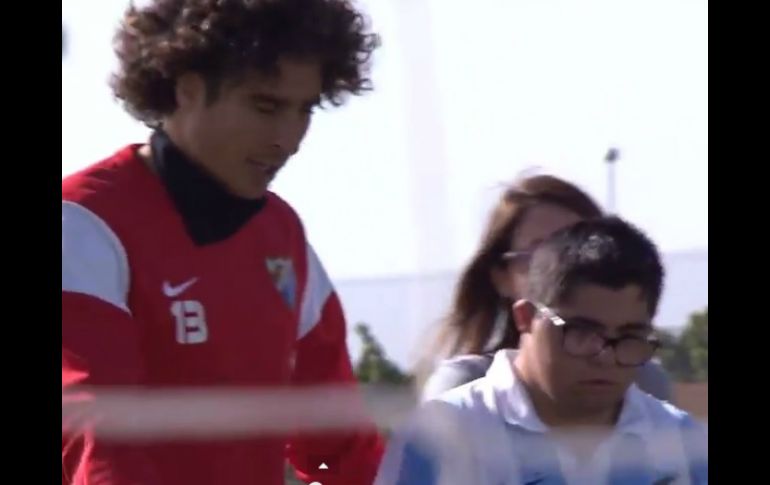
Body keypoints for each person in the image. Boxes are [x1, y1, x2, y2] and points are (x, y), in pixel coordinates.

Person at [61, 1, 383, 484]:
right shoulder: (82, 222)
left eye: (304, 110)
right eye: (265, 107)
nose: (287, 139)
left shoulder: (283, 234)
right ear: (187, 89)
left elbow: (338, 447)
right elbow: (99, 437)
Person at [376, 216, 708, 485]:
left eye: (629, 336)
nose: (605, 357)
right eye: (582, 332)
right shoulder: (443, 438)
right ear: (525, 317)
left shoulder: (683, 446)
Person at [420, 174, 672, 402]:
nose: (566, 270)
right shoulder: (464, 390)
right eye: (539, 255)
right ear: (502, 277)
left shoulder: (644, 384)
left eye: (584, 251)